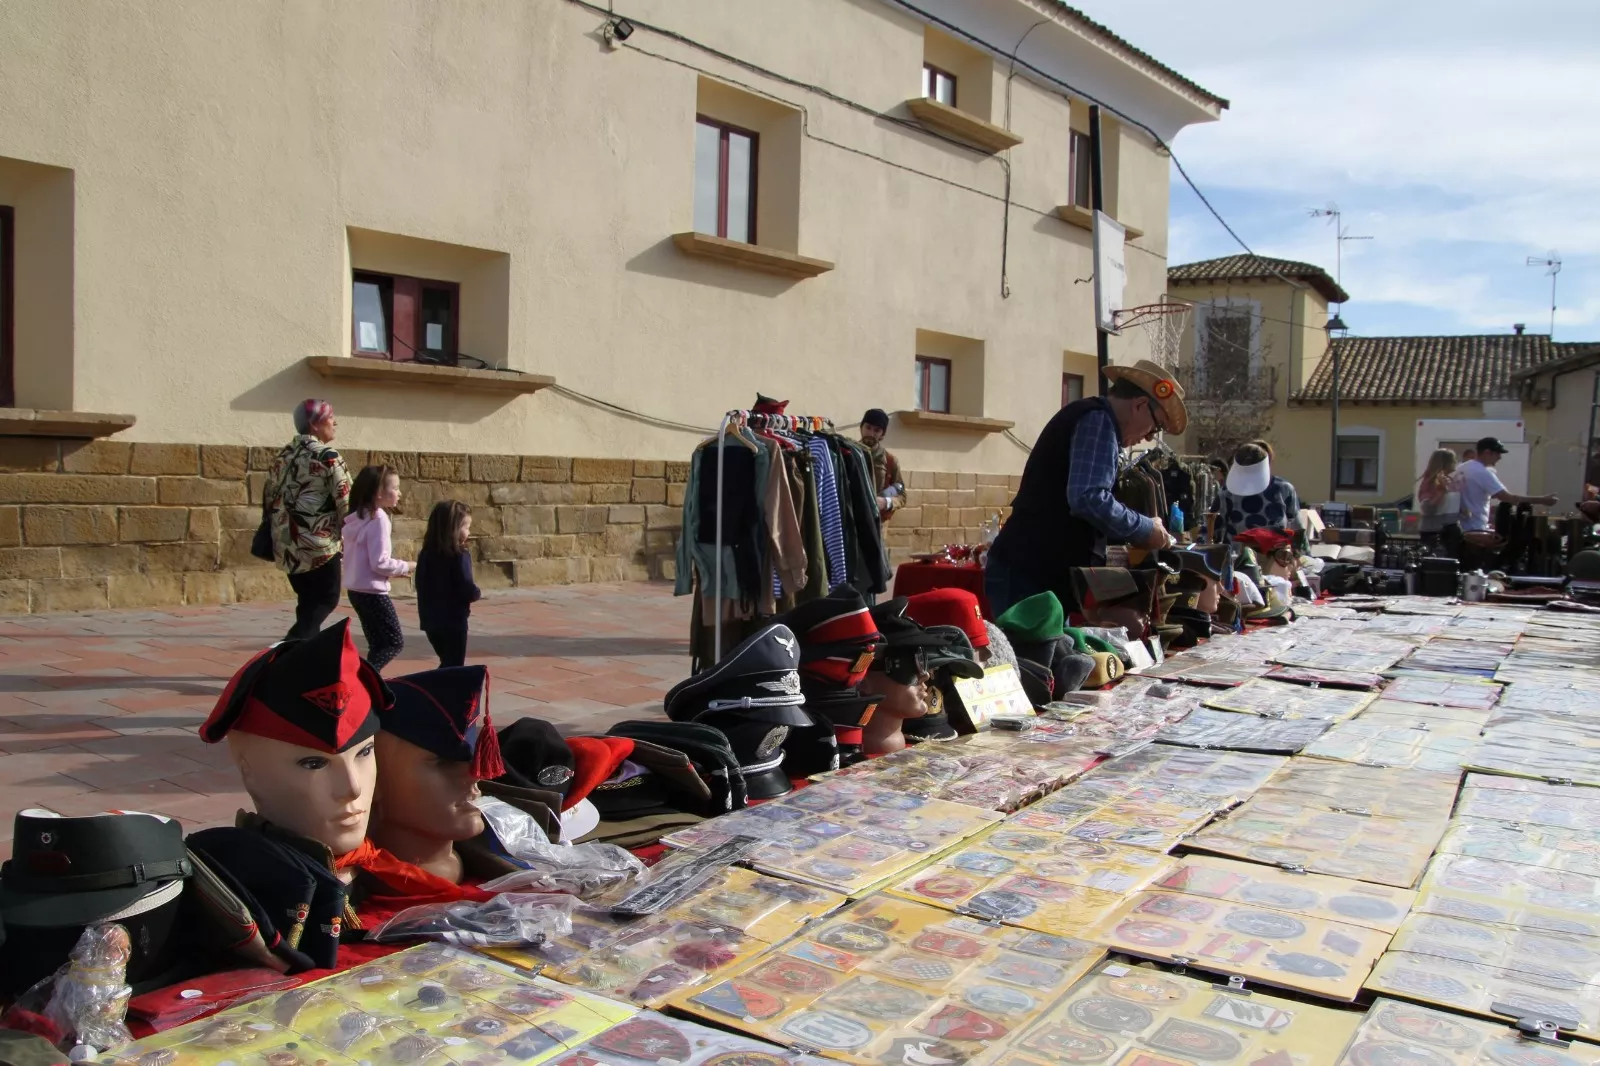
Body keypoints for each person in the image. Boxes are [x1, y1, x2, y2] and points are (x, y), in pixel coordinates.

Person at [985, 359, 1186, 618]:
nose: (1148, 437)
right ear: (1139, 405)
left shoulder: (1094, 419)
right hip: (1030, 573)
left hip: (1037, 571)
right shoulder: (1098, 422)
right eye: (1155, 427)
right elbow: (1089, 498)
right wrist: (1146, 529)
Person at [266, 399, 352, 640]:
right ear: (314, 424)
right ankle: (287, 648)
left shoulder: (283, 455)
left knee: (307, 603)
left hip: (287, 544)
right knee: (326, 598)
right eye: (330, 417)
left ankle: (303, 655)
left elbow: (269, 496)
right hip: (318, 546)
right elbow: (346, 500)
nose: (335, 422)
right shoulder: (327, 456)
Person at [342, 465, 413, 671]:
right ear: (378, 493)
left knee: (378, 644)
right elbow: (380, 562)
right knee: (393, 643)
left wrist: (394, 572)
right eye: (395, 488)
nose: (399, 493)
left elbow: (366, 560)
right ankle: (364, 679)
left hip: (357, 591)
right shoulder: (378, 518)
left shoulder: (359, 516)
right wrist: (408, 565)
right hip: (373, 593)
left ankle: (368, 682)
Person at [415, 501, 482, 668]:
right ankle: (436, 685)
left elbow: (420, 584)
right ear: (454, 529)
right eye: (466, 527)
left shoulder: (426, 554)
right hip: (453, 621)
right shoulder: (459, 555)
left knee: (447, 661)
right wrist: (476, 593)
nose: (469, 532)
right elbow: (466, 586)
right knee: (454, 665)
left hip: (430, 621)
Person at [1458, 437, 1557, 534]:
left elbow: (1474, 493)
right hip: (1475, 528)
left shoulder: (1462, 467)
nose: (1500, 457)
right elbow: (1508, 498)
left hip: (1462, 527)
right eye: (1497, 453)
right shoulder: (1482, 472)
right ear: (1487, 452)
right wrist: (1542, 500)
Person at [1220, 440, 1301, 540]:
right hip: (1237, 549)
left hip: (1275, 549)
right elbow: (1213, 525)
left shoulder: (1284, 489)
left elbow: (1297, 529)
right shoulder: (1228, 491)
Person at [859, 408, 904, 522]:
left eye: (877, 430)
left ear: (882, 434)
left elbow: (902, 496)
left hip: (878, 523)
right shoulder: (846, 453)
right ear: (861, 427)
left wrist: (886, 502)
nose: (871, 433)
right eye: (868, 427)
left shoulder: (890, 461)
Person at [1416, 448, 1463, 546]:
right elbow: (1427, 509)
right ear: (1445, 463)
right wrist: (1441, 492)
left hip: (1451, 529)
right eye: (1453, 460)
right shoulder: (1430, 482)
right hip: (1434, 532)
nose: (1456, 462)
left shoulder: (1450, 480)